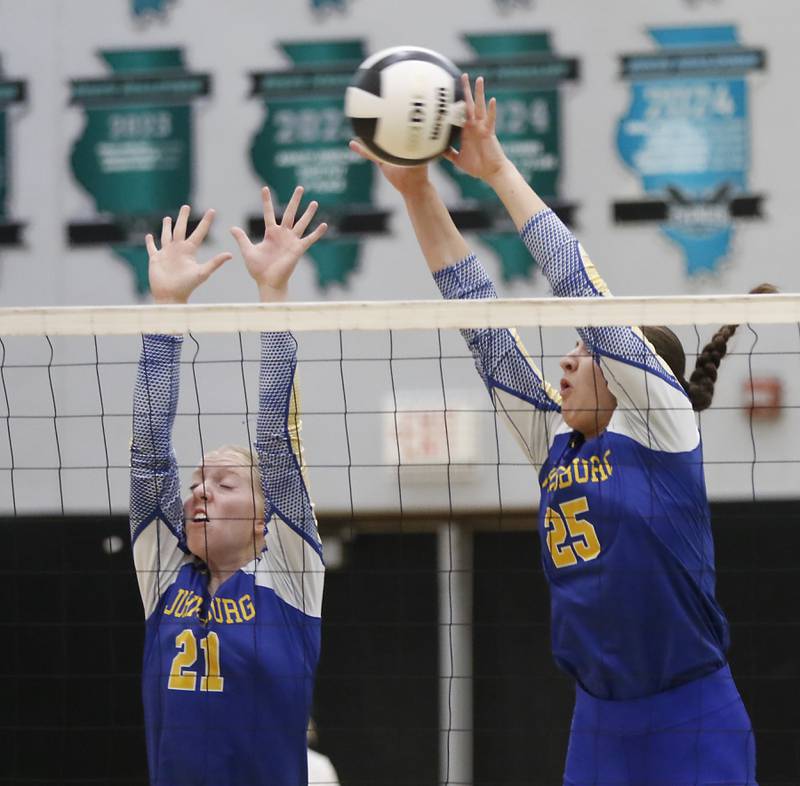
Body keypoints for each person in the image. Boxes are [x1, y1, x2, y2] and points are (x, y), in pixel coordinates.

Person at [351, 75, 763, 785]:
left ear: (630, 376)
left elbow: (581, 291)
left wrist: (497, 171)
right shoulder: (553, 444)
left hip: (690, 711)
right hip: (600, 718)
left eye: (582, 355)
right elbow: (479, 321)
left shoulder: (662, 429)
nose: (565, 363)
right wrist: (418, 193)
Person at [130, 186, 328, 786]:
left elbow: (275, 438)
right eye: (196, 482)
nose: (199, 493)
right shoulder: (164, 573)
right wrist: (167, 308)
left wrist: (273, 293)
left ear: (265, 521)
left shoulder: (289, 576)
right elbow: (148, 455)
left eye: (224, 483)